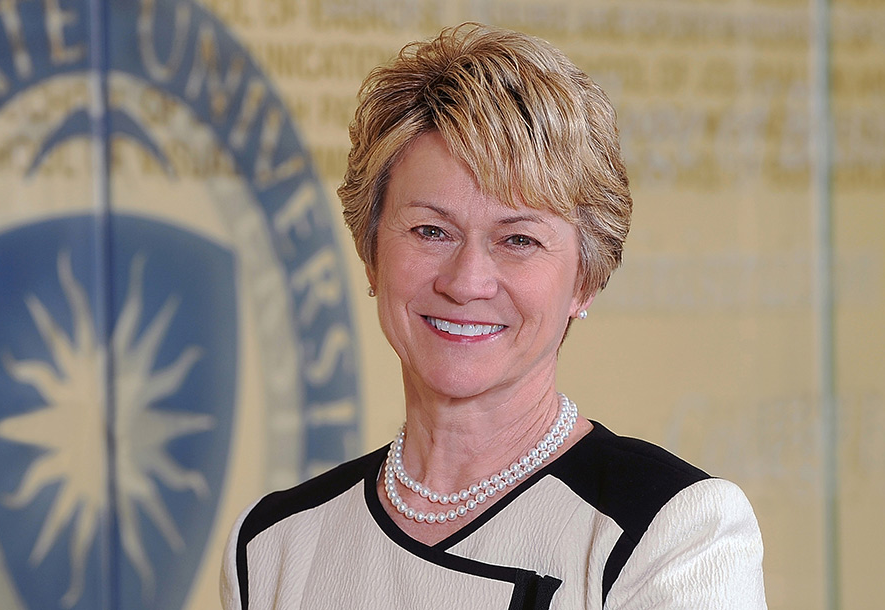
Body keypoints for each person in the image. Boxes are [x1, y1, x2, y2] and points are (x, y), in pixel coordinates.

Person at [221, 23, 765, 609]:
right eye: (431, 231)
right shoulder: (271, 547)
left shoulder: (669, 533)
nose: (466, 282)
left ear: (585, 278)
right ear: (371, 252)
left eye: (518, 240)